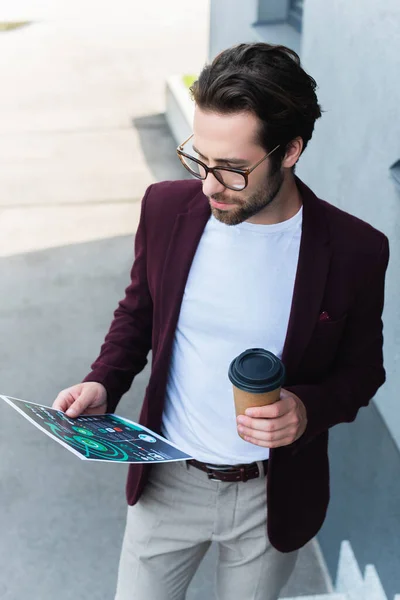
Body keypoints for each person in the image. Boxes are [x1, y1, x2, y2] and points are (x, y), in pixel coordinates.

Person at [53, 43, 389, 600]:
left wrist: (306, 410)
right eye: (199, 159)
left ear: (290, 151)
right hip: (167, 481)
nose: (209, 185)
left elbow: (364, 372)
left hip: (270, 497)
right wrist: (104, 379)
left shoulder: (355, 250)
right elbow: (139, 312)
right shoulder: (165, 209)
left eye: (232, 170)